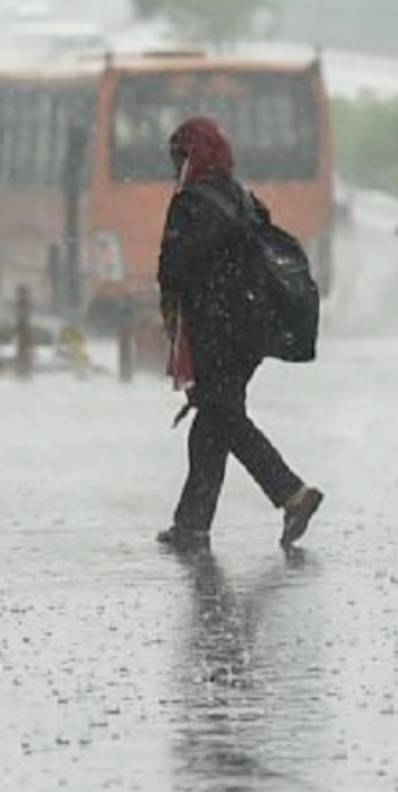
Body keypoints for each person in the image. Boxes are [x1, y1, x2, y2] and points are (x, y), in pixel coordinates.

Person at [155, 117, 324, 551]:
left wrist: (171, 312)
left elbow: (174, 269)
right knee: (212, 420)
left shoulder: (191, 204)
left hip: (215, 329)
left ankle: (291, 492)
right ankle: (192, 525)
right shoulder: (242, 198)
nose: (174, 165)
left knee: (224, 417)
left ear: (189, 157)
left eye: (178, 156)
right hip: (252, 329)